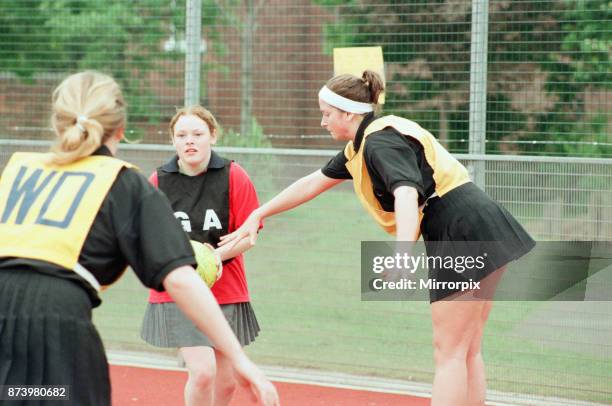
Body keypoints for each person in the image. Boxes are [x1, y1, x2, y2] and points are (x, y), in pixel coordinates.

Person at [219, 70, 535, 406]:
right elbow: (312, 182)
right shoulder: (364, 144)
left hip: (460, 227)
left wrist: (401, 253)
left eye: (327, 114)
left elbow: (406, 194)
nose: (323, 122)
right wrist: (258, 213)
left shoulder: (378, 142)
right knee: (467, 349)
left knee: (450, 352)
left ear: (349, 114)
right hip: (478, 222)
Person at [0, 71, 279, 406]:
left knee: (14, 393)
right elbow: (179, 278)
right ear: (120, 130)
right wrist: (242, 360)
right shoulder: (122, 182)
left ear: (58, 123)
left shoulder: (17, 169)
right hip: (58, 318)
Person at [141, 105, 262, 406]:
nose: (189, 141)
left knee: (226, 383)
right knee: (203, 372)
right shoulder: (159, 180)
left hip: (226, 288)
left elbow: (250, 233)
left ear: (213, 136)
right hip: (179, 290)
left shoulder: (234, 175)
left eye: (197, 134)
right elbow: (148, 236)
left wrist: (214, 257)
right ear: (173, 141)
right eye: (181, 135)